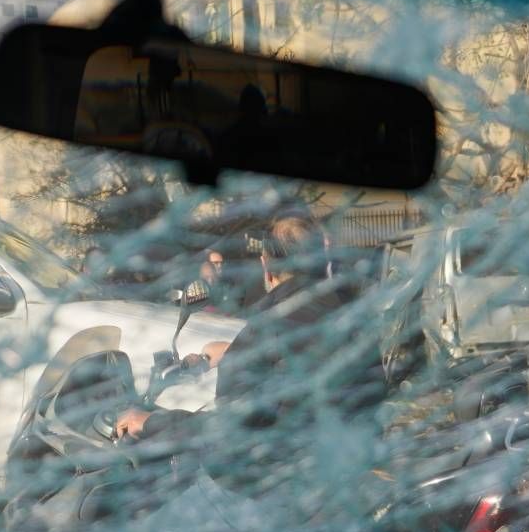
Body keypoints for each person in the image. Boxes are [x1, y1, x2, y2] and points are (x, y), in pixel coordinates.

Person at [113, 208, 373, 503]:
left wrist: (151, 422)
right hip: (349, 479)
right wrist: (238, 352)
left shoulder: (270, 325)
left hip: (283, 493)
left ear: (266, 265)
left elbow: (229, 435)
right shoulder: (353, 316)